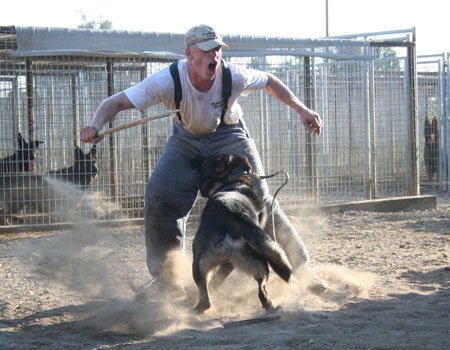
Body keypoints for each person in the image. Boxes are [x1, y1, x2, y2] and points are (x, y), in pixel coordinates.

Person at [80, 24, 326, 297]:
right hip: (185, 140)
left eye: (218, 49)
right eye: (208, 50)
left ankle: (300, 269)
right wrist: (95, 125)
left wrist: (303, 110)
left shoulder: (234, 76)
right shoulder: (168, 80)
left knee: (260, 197)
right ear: (189, 54)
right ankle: (167, 280)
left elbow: (268, 80)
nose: (215, 56)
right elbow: (115, 103)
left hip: (228, 133)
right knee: (160, 196)